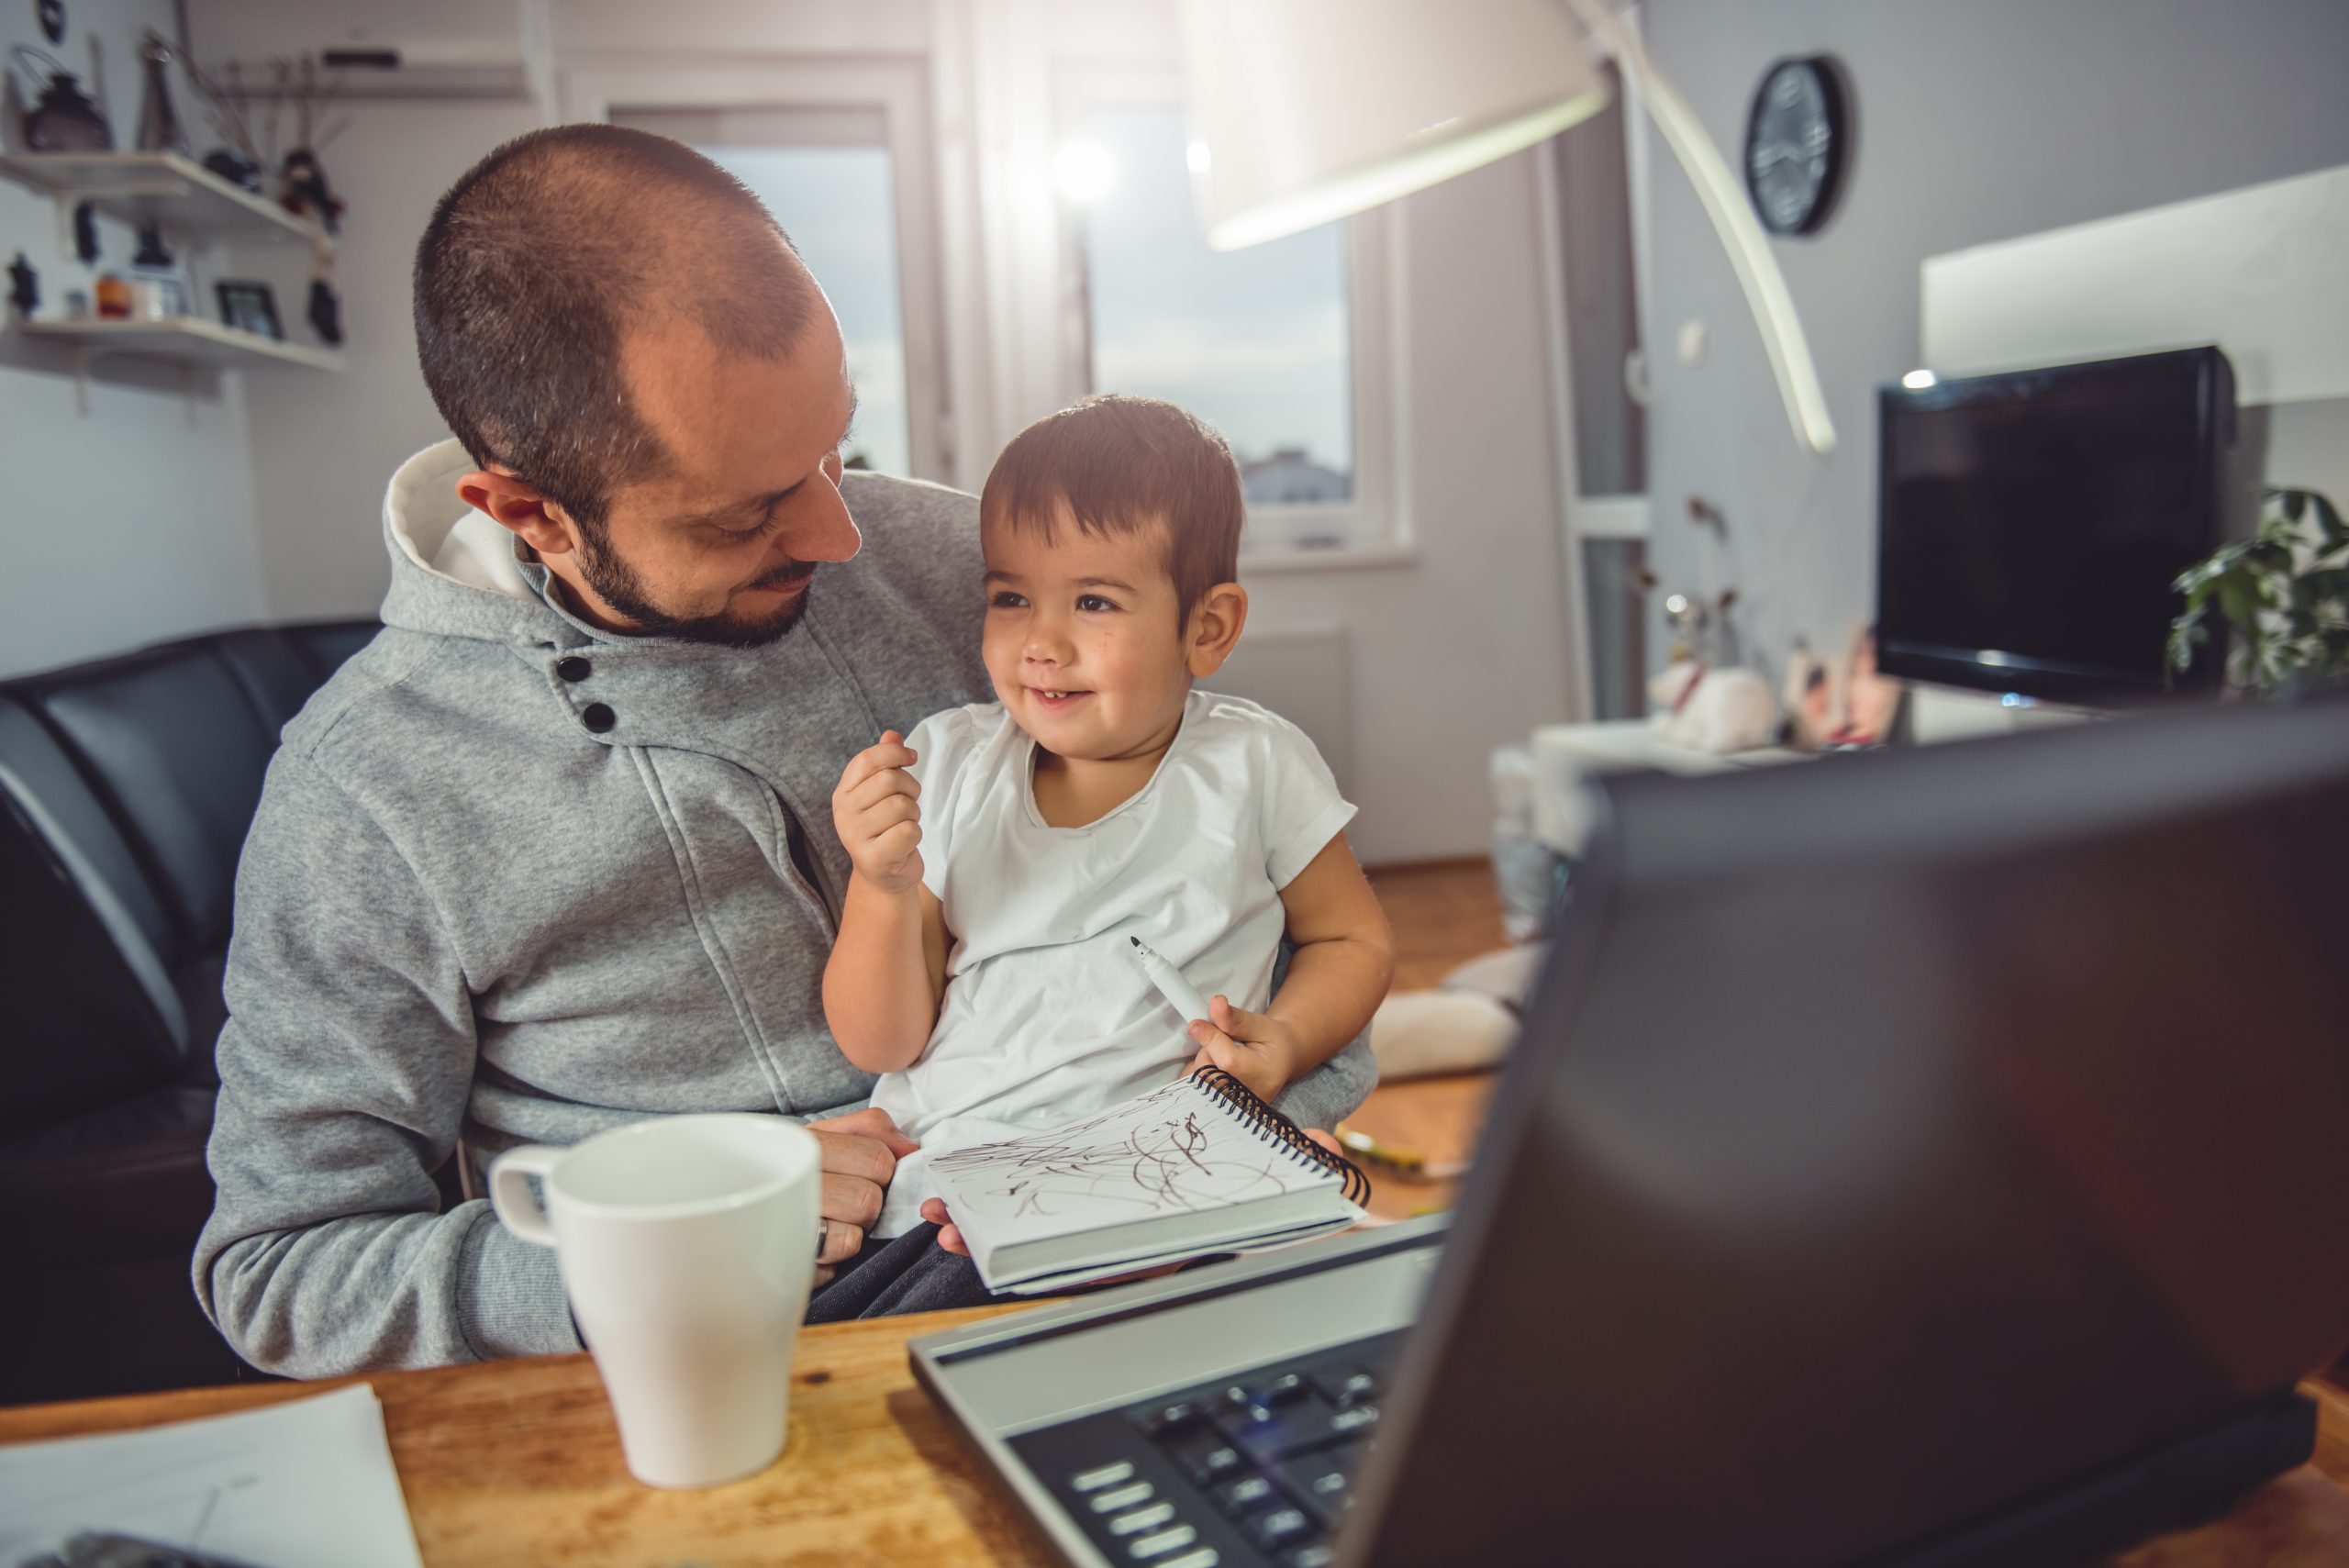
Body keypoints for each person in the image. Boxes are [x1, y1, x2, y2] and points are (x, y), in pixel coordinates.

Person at [193, 126, 1377, 1377]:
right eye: (751, 510)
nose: (841, 532)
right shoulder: (367, 789)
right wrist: (663, 1237)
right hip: (715, 1358)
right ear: (532, 514)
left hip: (1138, 1246)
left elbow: (1259, 902)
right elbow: (283, 1269)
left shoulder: (969, 571)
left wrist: (1244, 1133)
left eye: (837, 447)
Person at [820, 397, 1395, 1265]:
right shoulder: (945, 764)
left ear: (1207, 627)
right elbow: (881, 1042)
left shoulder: (1254, 761)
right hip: (956, 1191)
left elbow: (1352, 936)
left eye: (1092, 601)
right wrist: (881, 885)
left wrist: (1287, 1041)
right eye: (1011, 597)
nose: (1040, 642)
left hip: (1169, 1179)